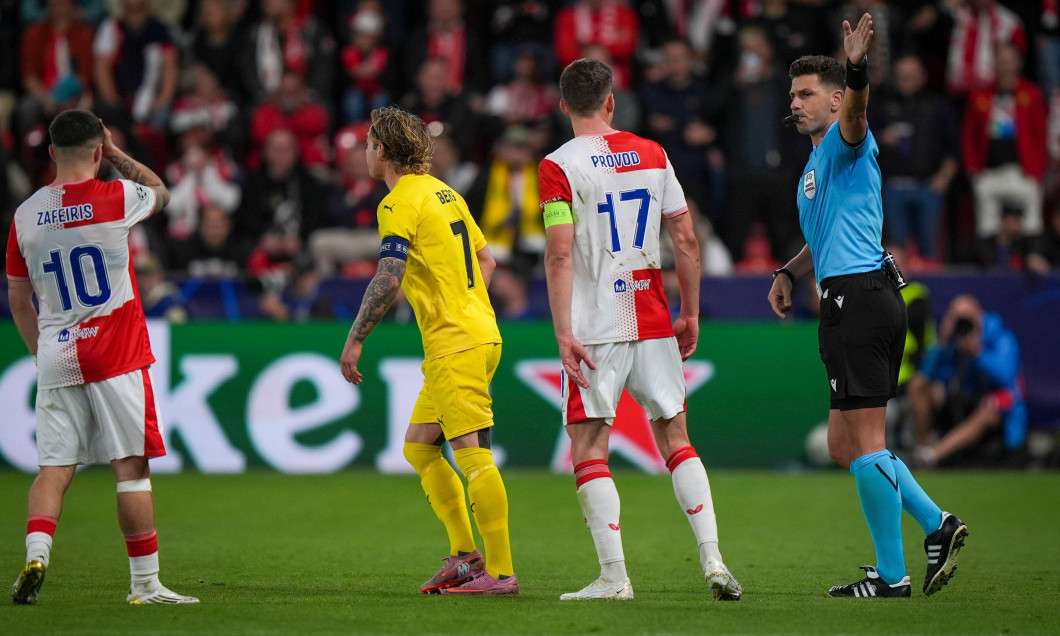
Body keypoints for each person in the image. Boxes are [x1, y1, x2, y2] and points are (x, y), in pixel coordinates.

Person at [766, 15, 967, 599]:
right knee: (842, 444)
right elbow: (823, 238)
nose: (797, 103)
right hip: (848, 297)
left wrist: (856, 69)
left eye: (807, 94)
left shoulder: (847, 140)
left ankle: (899, 568)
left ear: (833, 99)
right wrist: (788, 270)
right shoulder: (815, 166)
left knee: (868, 442)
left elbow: (856, 114)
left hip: (861, 298)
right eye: (793, 95)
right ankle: (932, 529)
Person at [540, 58, 742, 602]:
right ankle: (714, 560)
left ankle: (614, 577)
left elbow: (560, 256)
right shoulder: (654, 154)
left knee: (589, 448)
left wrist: (563, 332)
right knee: (676, 438)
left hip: (594, 323)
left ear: (564, 106)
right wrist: (691, 312)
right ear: (611, 103)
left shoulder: (557, 166)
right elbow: (686, 240)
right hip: (653, 314)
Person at [5, 109, 197, 605]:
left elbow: (17, 297)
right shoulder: (116, 197)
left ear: (50, 153)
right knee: (130, 469)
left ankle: (37, 553)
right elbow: (163, 191)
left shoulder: (24, 215)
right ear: (97, 149)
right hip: (115, 355)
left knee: (53, 470)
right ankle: (145, 585)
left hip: (56, 355)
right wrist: (115, 155)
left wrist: (39, 353)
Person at [338, 106, 517, 595]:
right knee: (419, 447)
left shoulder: (398, 201)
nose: (365, 151)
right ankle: (465, 556)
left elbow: (388, 276)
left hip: (456, 342)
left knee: (474, 457)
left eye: (370, 142)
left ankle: (500, 575)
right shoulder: (446, 193)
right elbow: (487, 258)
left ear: (383, 150)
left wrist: (355, 338)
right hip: (474, 333)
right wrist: (465, 301)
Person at [908, 295, 1026, 468]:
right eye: (956, 317)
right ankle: (922, 447)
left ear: (979, 316)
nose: (963, 323)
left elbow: (1005, 378)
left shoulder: (1001, 337)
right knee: (919, 385)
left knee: (991, 406)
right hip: (957, 403)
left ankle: (931, 457)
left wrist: (977, 352)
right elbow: (926, 375)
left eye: (966, 318)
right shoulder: (950, 344)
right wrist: (941, 344)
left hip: (992, 408)